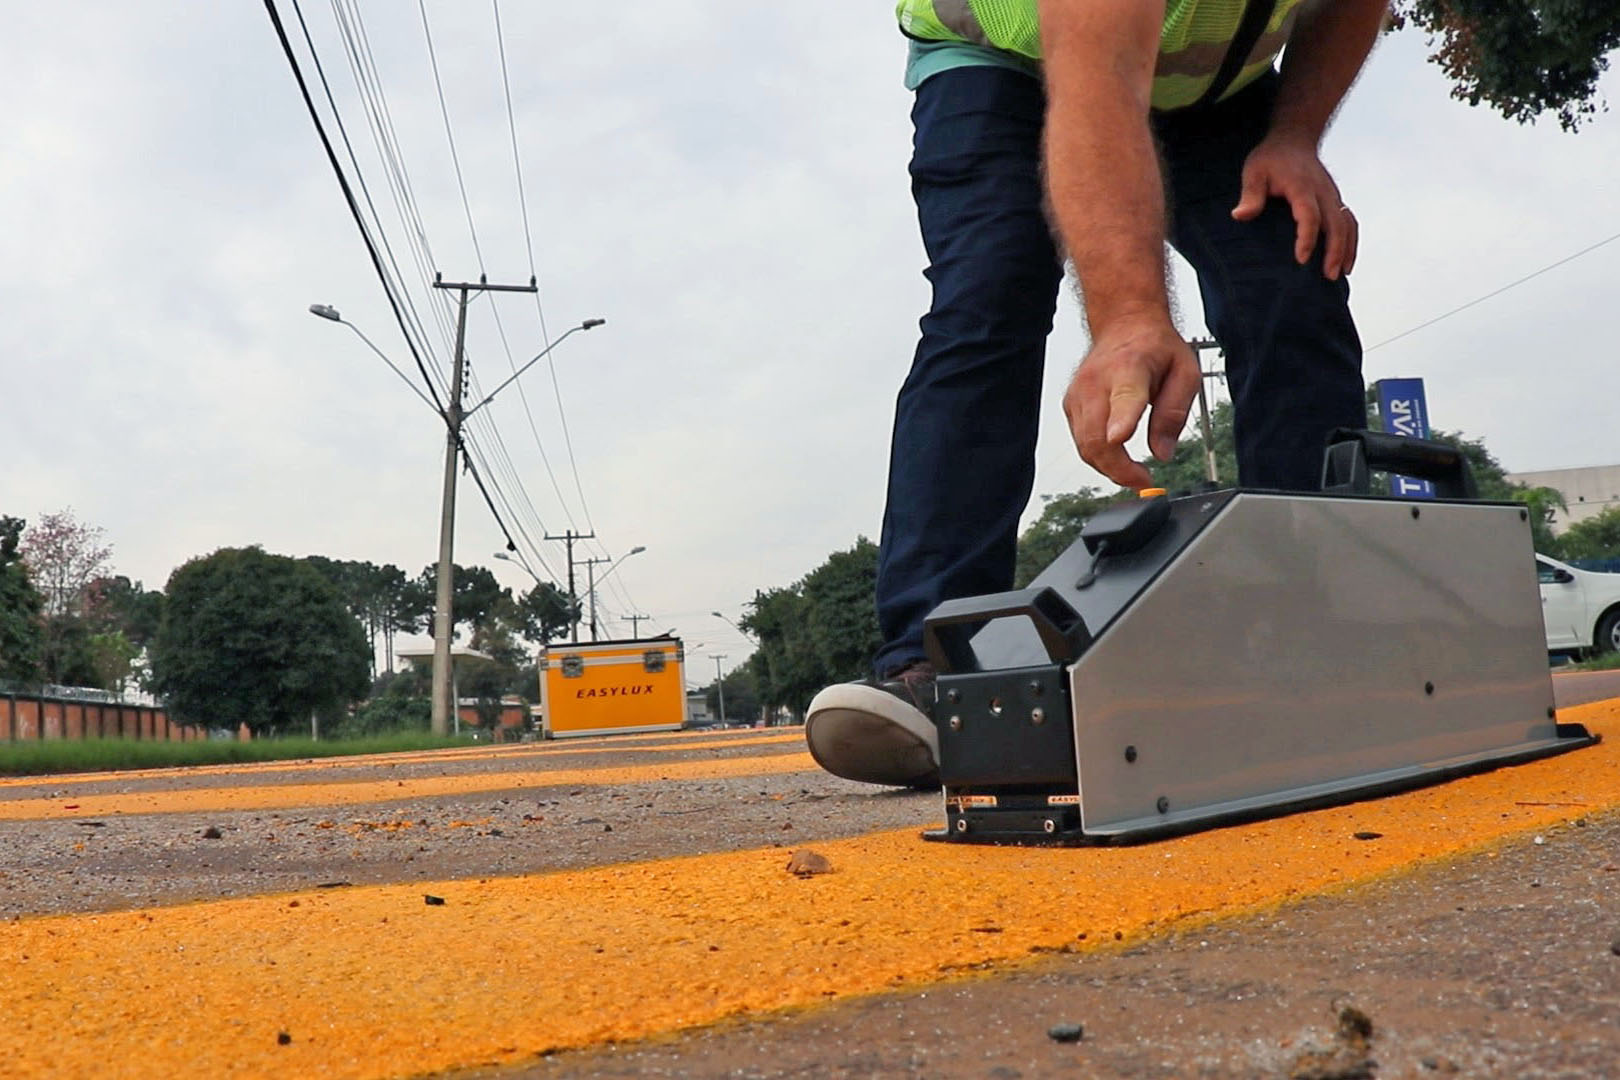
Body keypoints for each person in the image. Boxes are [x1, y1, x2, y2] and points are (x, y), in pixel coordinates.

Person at [804, 0, 1390, 787]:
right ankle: (933, 667)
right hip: (1004, 62)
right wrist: (1129, 317)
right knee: (991, 293)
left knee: (1292, 287)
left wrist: (1294, 135)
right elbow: (1099, 86)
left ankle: (1313, 641)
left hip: (1214, 90)